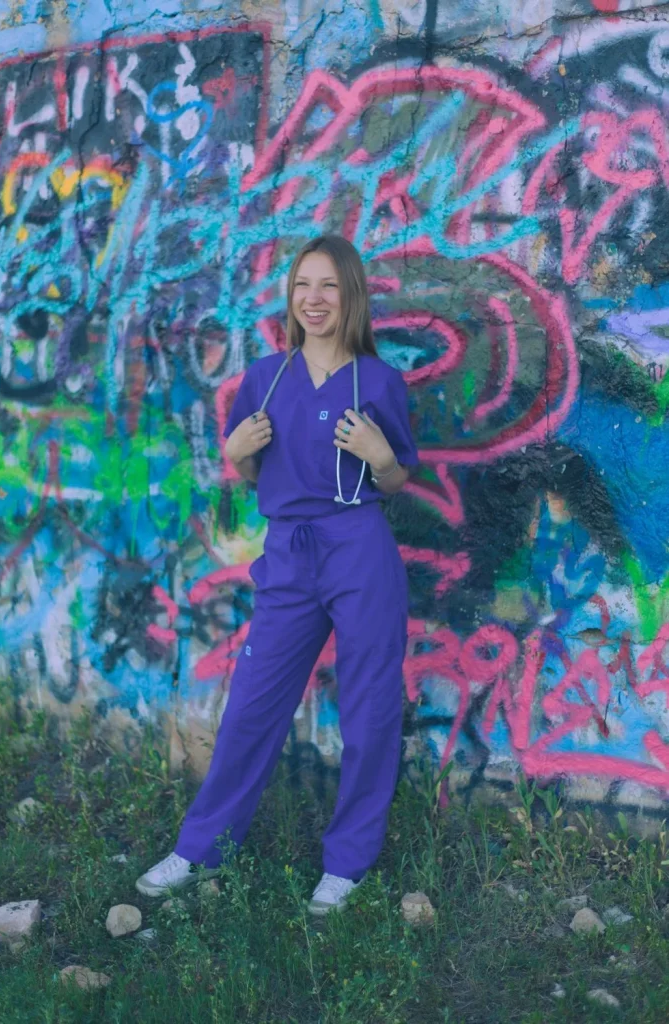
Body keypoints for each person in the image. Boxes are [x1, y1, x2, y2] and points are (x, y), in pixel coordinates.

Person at [136, 234, 419, 915]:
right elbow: (253, 466)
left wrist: (380, 454)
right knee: (252, 707)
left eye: (327, 286)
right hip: (290, 554)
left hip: (358, 549)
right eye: (302, 286)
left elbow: (397, 476)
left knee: (369, 710)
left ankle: (347, 863)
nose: (314, 299)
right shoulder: (266, 376)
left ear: (350, 295)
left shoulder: (378, 381)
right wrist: (235, 455)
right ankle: (201, 846)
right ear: (289, 298)